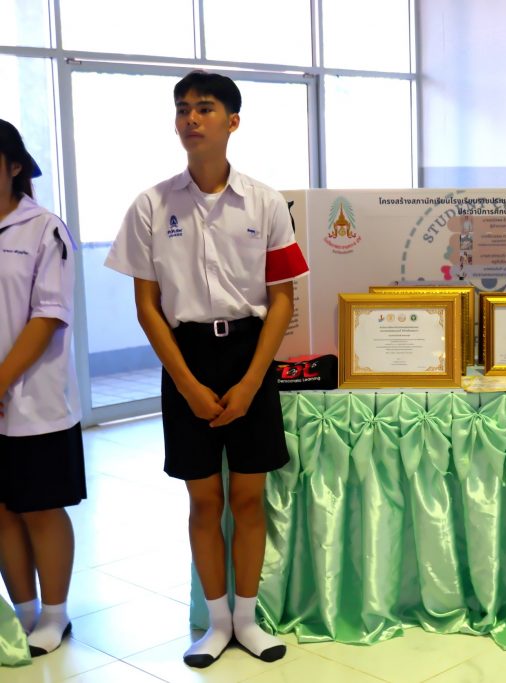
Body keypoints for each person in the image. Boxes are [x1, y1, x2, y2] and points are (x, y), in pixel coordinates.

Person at [105, 71, 309, 668]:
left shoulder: (265, 202)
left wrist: (251, 382)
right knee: (202, 501)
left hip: (250, 354)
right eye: (182, 109)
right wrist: (189, 385)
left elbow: (283, 299)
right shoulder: (151, 205)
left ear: (233, 121)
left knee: (247, 499)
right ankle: (216, 624)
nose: (190, 118)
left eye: (205, 108)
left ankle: (247, 620)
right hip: (186, 356)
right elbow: (147, 307)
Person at [0, 119, 84, 657]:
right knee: (2, 510)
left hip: (36, 401)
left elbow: (48, 315)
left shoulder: (43, 229)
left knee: (40, 508)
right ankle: (24, 612)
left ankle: (55, 614)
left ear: (13, 167)